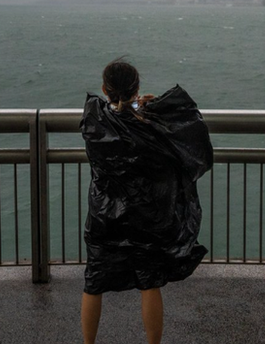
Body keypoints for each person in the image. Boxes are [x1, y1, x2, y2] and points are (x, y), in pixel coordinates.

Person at [80, 58, 213, 344]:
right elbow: (190, 133)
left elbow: (107, 111)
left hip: (104, 216)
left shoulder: (94, 118)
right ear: (137, 88)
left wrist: (133, 105)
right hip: (145, 218)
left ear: (104, 89)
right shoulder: (150, 126)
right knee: (149, 284)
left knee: (93, 283)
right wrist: (145, 107)